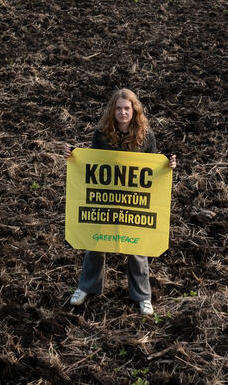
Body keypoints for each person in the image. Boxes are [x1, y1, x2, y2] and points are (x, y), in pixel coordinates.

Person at [66, 88, 177, 316]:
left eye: (127, 108)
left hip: (133, 202)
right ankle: (86, 287)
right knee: (96, 241)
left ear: (134, 110)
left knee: (137, 247)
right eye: (119, 108)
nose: (123, 112)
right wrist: (73, 156)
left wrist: (167, 165)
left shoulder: (146, 137)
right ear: (113, 110)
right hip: (106, 200)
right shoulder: (101, 134)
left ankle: (142, 296)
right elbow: (91, 163)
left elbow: (152, 167)